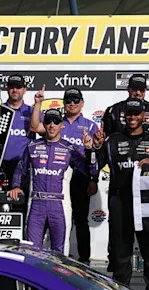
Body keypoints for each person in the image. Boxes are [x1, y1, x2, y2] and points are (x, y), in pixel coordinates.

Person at [93, 98, 149, 290]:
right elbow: (95, 167)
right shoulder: (112, 140)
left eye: (136, 114)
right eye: (129, 114)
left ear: (144, 116)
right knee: (121, 256)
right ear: (124, 116)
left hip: (147, 204)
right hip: (120, 202)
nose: (132, 117)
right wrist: (95, 148)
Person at [9, 108, 95, 252]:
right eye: (48, 121)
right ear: (44, 124)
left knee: (60, 251)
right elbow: (20, 168)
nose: (51, 125)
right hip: (36, 204)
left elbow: (90, 170)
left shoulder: (69, 149)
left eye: (56, 122)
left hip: (59, 205)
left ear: (62, 125)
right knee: (31, 250)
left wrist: (89, 149)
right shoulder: (32, 146)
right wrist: (16, 185)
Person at [29, 86, 98, 263]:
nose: (72, 103)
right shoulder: (56, 121)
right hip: (57, 180)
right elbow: (35, 126)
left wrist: (94, 179)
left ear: (82, 103)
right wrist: (38, 103)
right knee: (52, 223)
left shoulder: (91, 125)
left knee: (81, 220)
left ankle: (84, 260)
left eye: (76, 100)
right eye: (68, 100)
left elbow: (95, 156)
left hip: (81, 177)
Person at [100, 74, 149, 142]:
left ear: (145, 90)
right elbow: (105, 140)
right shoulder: (113, 111)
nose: (138, 93)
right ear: (128, 89)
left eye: (141, 89)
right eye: (135, 89)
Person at [1, 74, 34, 188]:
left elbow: (48, 130)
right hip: (1, 165)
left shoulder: (32, 112)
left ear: (25, 90)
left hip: (24, 165)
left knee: (22, 199)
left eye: (18, 87)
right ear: (7, 89)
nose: (15, 90)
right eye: (12, 87)